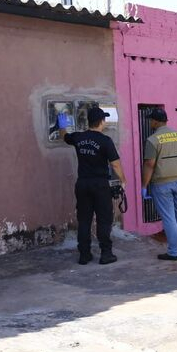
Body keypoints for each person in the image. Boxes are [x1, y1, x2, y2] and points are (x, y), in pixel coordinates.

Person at [59, 107, 127, 265]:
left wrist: (62, 126)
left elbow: (65, 137)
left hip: (82, 184)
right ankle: (106, 254)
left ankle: (84, 254)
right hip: (100, 184)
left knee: (84, 220)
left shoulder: (78, 137)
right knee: (104, 220)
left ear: (88, 121)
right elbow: (115, 165)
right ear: (102, 122)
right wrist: (123, 180)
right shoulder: (105, 141)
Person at [142, 108, 177, 261]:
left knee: (169, 217)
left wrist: (144, 185)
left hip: (162, 183)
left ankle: (174, 252)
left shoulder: (153, 140)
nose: (150, 122)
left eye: (151, 120)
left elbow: (150, 164)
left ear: (156, 121)